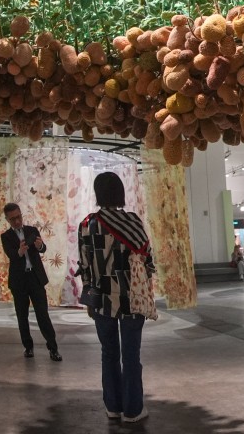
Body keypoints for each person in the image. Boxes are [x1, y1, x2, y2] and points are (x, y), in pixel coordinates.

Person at [78, 172, 156, 423]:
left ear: (98, 193)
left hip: (102, 300)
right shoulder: (133, 221)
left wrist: (90, 293)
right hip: (131, 299)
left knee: (108, 353)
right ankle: (133, 410)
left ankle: (113, 406)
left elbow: (85, 265)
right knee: (131, 355)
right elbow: (148, 262)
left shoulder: (88, 224)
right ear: (120, 192)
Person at [0, 203, 62, 361]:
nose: (17, 221)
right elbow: (11, 256)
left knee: (43, 314)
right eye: (12, 219)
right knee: (22, 316)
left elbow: (42, 249)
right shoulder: (5, 236)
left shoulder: (32, 230)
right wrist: (19, 251)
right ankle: (28, 347)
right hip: (19, 281)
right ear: (7, 219)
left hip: (35, 279)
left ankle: (53, 348)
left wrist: (40, 246)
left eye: (18, 217)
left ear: (21, 214)